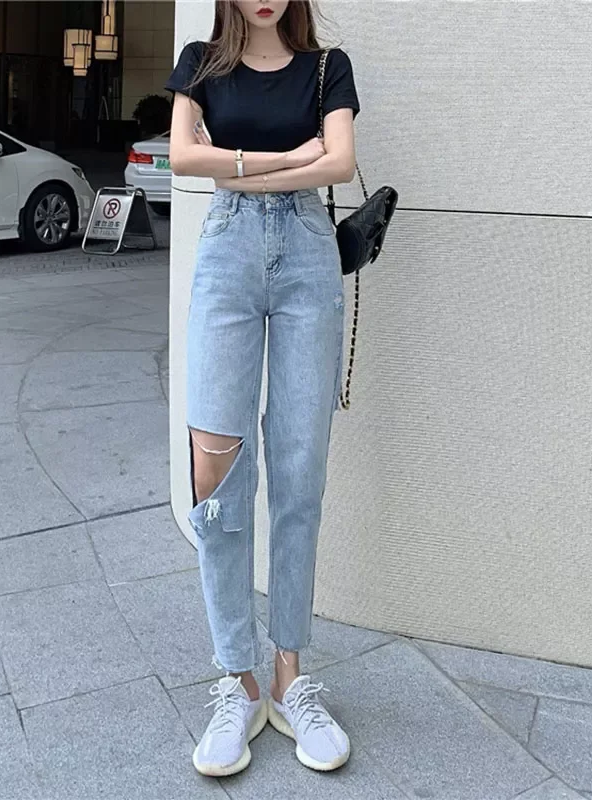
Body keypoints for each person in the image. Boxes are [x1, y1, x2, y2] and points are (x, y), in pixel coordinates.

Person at [165, 0, 359, 778]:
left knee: (299, 470)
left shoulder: (327, 67)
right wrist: (284, 158)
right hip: (229, 252)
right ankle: (237, 681)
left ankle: (288, 676)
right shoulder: (200, 62)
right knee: (215, 471)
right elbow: (182, 158)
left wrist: (237, 161)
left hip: (309, 255)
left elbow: (339, 163)